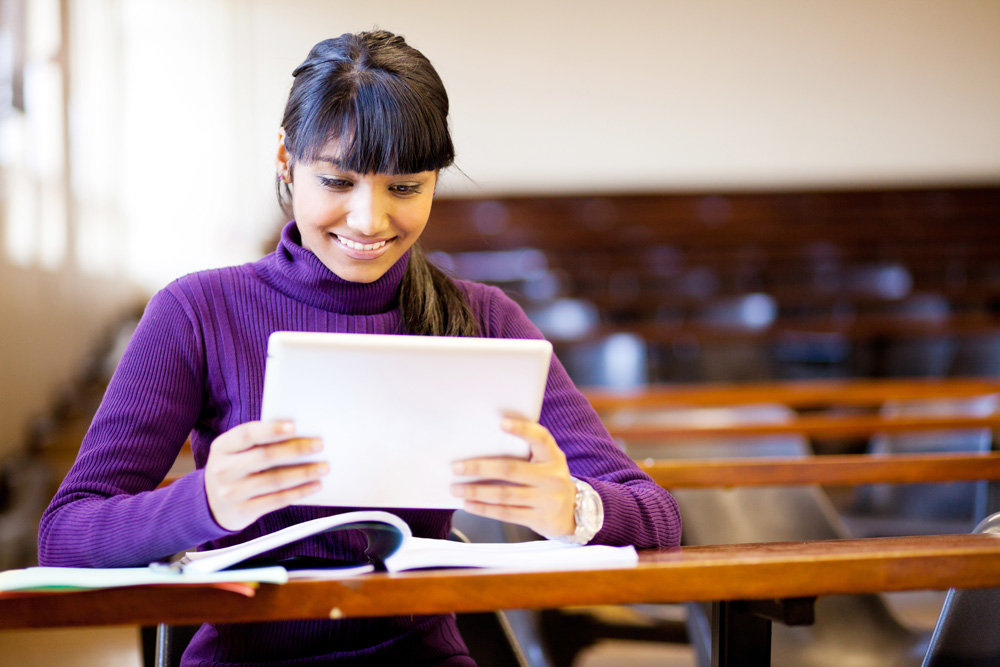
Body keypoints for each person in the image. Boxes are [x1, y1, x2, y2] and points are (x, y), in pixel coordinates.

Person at [38, 30, 681, 666]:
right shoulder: (198, 312)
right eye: (337, 181)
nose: (370, 221)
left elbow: (656, 515)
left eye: (405, 188)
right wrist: (205, 501)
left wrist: (569, 507)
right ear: (286, 160)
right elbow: (65, 535)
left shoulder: (483, 317)